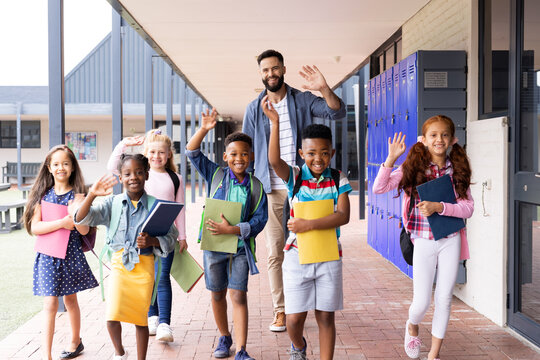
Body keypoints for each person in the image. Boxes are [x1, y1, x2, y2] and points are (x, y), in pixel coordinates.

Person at [242, 49, 346, 332]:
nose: (270, 74)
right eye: (265, 70)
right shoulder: (255, 108)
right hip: (274, 189)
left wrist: (324, 88)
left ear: (283, 69)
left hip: (306, 186)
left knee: (313, 240)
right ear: (261, 73)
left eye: (275, 68)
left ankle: (315, 302)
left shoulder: (302, 100)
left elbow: (337, 111)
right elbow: (248, 151)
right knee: (276, 250)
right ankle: (282, 310)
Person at [373, 115, 474, 360]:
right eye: (434, 135)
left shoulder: (457, 168)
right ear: (424, 139)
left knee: (444, 298)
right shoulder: (413, 167)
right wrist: (390, 160)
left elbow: (468, 208)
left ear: (452, 139)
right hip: (423, 239)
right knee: (422, 302)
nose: (439, 139)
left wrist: (440, 207)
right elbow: (379, 188)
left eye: (444, 135)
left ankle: (434, 354)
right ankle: (412, 325)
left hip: (451, 238)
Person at [266, 100, 352, 360]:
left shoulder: (338, 179)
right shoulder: (295, 176)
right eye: (312, 153)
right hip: (296, 256)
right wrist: (275, 123)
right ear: (302, 154)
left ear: (332, 153)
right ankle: (298, 346)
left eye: (324, 153)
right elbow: (273, 160)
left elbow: (344, 216)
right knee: (294, 319)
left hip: (328, 256)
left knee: (326, 316)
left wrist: (308, 224)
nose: (318, 158)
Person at [74, 154, 177, 360]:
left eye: (139, 172)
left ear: (147, 175)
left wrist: (153, 241)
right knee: (112, 316)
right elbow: (81, 217)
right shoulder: (112, 203)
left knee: (141, 319)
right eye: (127, 173)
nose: (133, 177)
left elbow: (171, 236)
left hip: (145, 266)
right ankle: (120, 353)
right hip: (120, 264)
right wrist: (92, 194)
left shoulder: (157, 205)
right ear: (120, 178)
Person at [186, 108, 268, 360]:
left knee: (238, 295)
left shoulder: (256, 186)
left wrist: (235, 229)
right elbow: (192, 152)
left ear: (251, 156)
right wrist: (204, 129)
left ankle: (242, 349)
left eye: (244, 154)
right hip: (214, 247)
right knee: (217, 293)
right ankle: (224, 336)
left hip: (240, 249)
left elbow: (260, 219)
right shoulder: (217, 174)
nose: (239, 158)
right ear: (225, 156)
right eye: (233, 154)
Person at [107, 129, 187, 343]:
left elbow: (180, 209)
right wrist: (124, 144)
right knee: (148, 278)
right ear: (145, 153)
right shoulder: (140, 173)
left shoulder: (175, 178)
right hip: (138, 237)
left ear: (169, 154)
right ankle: (151, 316)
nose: (156, 156)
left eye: (161, 152)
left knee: (162, 278)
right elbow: (112, 167)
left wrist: (182, 237)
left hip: (163, 236)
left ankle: (164, 324)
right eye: (152, 152)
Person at [22, 145, 99, 360]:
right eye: (56, 164)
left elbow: (83, 229)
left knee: (71, 300)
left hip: (71, 255)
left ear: (72, 167)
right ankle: (46, 354)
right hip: (47, 256)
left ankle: (75, 341)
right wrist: (62, 223)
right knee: (50, 304)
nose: (60, 168)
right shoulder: (42, 196)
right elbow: (35, 228)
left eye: (65, 163)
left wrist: (75, 214)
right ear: (49, 167)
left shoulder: (78, 197)